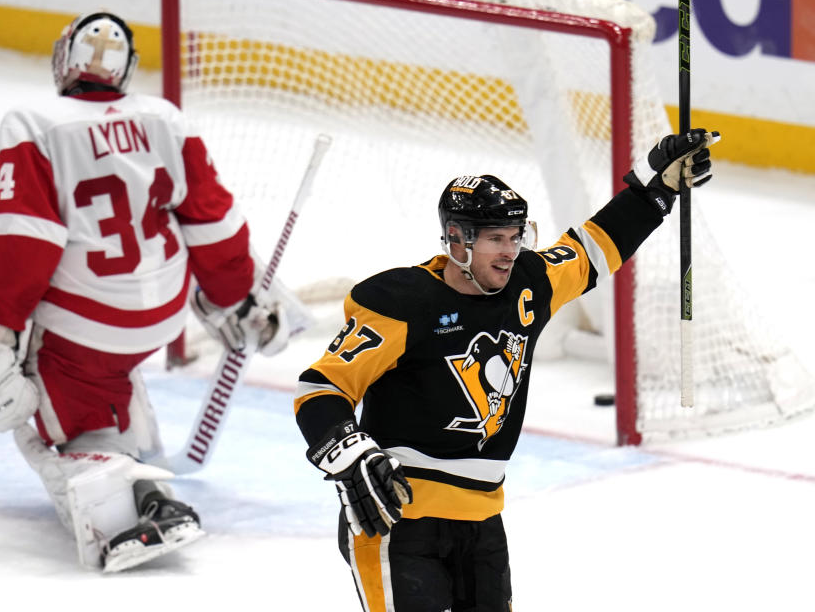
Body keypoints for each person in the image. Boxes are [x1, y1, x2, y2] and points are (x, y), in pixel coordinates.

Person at [294, 129, 720, 610]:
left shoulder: (528, 284)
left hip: (482, 522)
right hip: (399, 520)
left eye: (516, 237)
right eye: (495, 238)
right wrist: (350, 453)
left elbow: (591, 250)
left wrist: (654, 189)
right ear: (456, 239)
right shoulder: (402, 303)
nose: (510, 251)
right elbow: (321, 387)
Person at [0, 11, 294, 573]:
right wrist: (235, 294)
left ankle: (110, 505)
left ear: (65, 61)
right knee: (107, 378)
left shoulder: (33, 122)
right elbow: (212, 221)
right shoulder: (163, 117)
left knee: (24, 407)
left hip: (86, 323)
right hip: (158, 316)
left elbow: (23, 240)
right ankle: (148, 481)